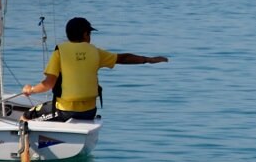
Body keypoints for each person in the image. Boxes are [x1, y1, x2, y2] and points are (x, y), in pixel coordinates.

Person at [21, 17, 167, 121]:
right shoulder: (95, 52)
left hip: (65, 111)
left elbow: (48, 84)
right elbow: (123, 58)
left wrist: (31, 89)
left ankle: (25, 154)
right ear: (85, 34)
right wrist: (148, 59)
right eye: (89, 33)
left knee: (26, 116)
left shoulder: (60, 52)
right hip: (89, 112)